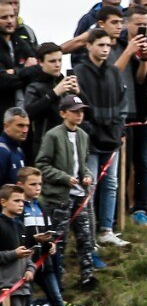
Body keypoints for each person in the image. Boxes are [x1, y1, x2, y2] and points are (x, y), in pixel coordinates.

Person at [18, 167, 89, 306]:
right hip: (25, 266)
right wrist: (33, 240)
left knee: (57, 299)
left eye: (40, 184)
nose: (37, 188)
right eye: (33, 184)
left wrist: (50, 244)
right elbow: (15, 237)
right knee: (25, 305)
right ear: (20, 185)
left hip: (45, 263)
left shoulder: (40, 205)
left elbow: (48, 230)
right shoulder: (17, 208)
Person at [34, 94, 97, 289]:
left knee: (85, 237)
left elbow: (83, 164)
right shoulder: (53, 135)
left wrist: (87, 176)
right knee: (58, 240)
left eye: (81, 111)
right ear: (63, 113)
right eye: (74, 111)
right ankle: (57, 280)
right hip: (59, 197)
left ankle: (87, 276)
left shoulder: (83, 135)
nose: (79, 115)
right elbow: (42, 165)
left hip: (80, 195)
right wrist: (64, 178)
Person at [75, 27, 128, 251]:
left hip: (112, 137)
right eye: (101, 45)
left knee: (111, 183)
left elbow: (122, 102)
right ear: (89, 46)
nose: (105, 49)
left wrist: (119, 127)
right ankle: (88, 235)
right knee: (91, 185)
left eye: (108, 45)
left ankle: (106, 229)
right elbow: (78, 105)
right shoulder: (79, 72)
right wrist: (89, 129)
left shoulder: (114, 72)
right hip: (90, 139)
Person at [114, 6, 147, 233]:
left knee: (142, 161)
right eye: (138, 24)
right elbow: (112, 74)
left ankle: (140, 208)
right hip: (120, 112)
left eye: (146, 24)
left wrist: (144, 59)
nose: (142, 28)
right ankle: (119, 209)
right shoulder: (116, 45)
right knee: (121, 165)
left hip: (142, 111)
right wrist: (129, 51)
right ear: (127, 23)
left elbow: (142, 78)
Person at [0, 183, 36, 306]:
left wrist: (30, 269)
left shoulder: (20, 225)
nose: (21, 204)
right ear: (3, 202)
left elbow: (28, 255)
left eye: (22, 201)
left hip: (23, 285)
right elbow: (12, 254)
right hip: (7, 286)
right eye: (16, 201)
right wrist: (14, 254)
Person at [22, 43, 78, 158]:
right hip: (45, 146)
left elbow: (88, 114)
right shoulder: (35, 86)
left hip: (68, 144)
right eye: (52, 61)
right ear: (41, 62)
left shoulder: (65, 83)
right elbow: (28, 113)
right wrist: (54, 93)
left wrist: (79, 93)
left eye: (60, 60)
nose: (57, 65)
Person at [0, 2, 37, 112]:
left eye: (12, 16)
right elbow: (3, 81)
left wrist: (14, 72)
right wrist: (25, 70)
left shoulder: (20, 42)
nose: (10, 21)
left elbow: (38, 70)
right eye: (4, 17)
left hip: (24, 110)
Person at [0, 107, 30, 185]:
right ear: (6, 126)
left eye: (27, 126)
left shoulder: (19, 150)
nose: (25, 130)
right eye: (20, 125)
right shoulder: (2, 151)